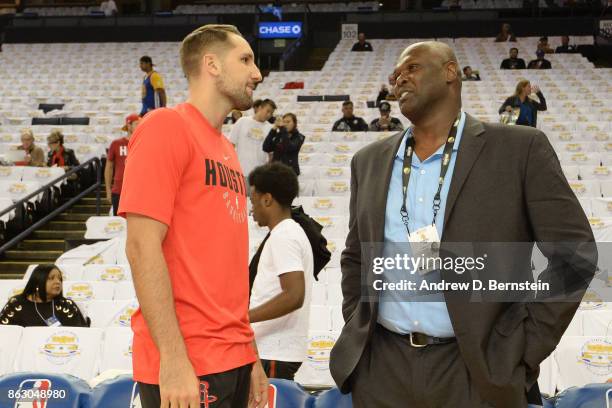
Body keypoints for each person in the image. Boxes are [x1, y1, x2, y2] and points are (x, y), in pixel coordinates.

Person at [329, 41, 596, 408]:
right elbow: (356, 256)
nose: (399, 79)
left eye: (412, 68)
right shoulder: (368, 161)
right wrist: (358, 326)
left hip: (478, 370)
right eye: (395, 75)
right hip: (382, 369)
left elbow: (575, 255)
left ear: (451, 72)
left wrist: (519, 347)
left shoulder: (520, 149)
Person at [119, 24, 268, 408]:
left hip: (232, 355)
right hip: (188, 360)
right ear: (212, 65)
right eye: (246, 60)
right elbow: (141, 247)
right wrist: (171, 358)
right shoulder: (165, 126)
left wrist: (247, 351)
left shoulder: (226, 147)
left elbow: (227, 268)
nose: (257, 73)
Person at [248, 162, 313, 381]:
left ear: (267, 199)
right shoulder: (287, 232)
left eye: (253, 200)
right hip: (273, 351)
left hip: (275, 351)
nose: (251, 209)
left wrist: (244, 318)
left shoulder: (285, 235)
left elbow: (294, 295)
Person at [0, 264, 89, 327]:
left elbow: (80, 333)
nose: (57, 282)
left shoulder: (66, 305)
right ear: (37, 282)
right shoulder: (16, 304)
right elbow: (5, 332)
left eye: (59, 278)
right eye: (51, 278)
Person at [230, 98, 276, 178]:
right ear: (260, 108)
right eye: (267, 111)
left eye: (271, 113)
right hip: (240, 171)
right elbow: (231, 144)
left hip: (260, 174)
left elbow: (271, 154)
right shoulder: (242, 121)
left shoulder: (270, 128)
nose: (269, 115)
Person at [105, 114, 140, 216]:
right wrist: (108, 190)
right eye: (137, 124)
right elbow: (109, 167)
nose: (139, 126)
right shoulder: (116, 144)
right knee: (119, 224)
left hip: (137, 191)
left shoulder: (143, 143)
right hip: (119, 190)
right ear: (129, 126)